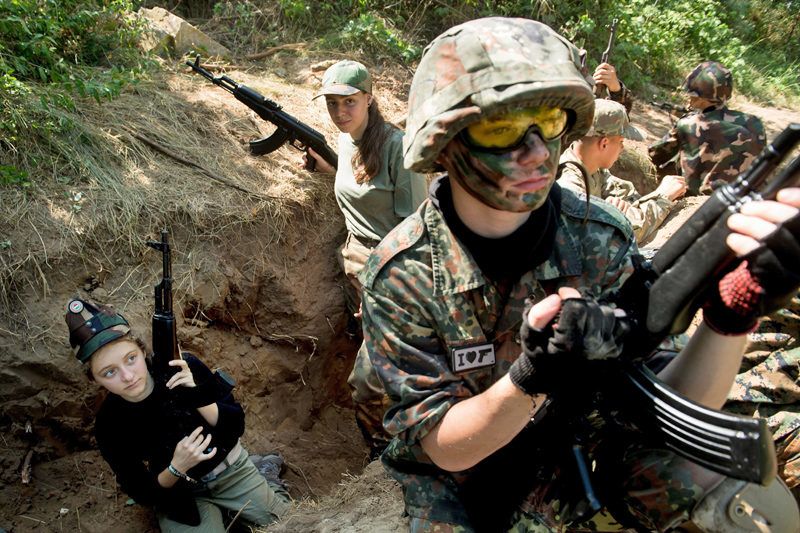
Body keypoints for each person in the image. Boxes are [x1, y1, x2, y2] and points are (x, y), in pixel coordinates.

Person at [353, 17, 800, 532]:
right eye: (501, 129)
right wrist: (532, 375)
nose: (537, 152)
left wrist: (732, 315)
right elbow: (445, 447)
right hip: (463, 471)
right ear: (443, 141)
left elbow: (676, 403)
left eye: (548, 120)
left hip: (576, 443)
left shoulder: (599, 238)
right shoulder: (403, 273)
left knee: (739, 500)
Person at [65, 298, 290, 531]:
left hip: (231, 472)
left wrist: (195, 394)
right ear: (94, 379)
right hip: (180, 498)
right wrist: (177, 467)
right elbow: (140, 490)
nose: (128, 376)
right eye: (109, 372)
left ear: (142, 350)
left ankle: (263, 476)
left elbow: (235, 425)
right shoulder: (110, 423)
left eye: (131, 359)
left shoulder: (181, 367)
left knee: (288, 524)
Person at [305, 60, 427, 458]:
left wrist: (385, 287)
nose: (340, 112)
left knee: (368, 381)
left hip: (390, 270)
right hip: (357, 267)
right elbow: (362, 190)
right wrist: (330, 172)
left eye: (349, 102)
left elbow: (416, 228)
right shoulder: (346, 141)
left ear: (369, 100)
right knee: (383, 363)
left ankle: (386, 455)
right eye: (332, 103)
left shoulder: (397, 147)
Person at [558, 99, 687, 244]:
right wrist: (664, 196)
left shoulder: (591, 168)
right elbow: (617, 235)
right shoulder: (569, 187)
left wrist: (616, 211)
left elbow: (627, 194)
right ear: (604, 143)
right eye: (621, 142)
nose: (622, 148)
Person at [649, 61, 767, 195]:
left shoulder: (688, 124)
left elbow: (656, 155)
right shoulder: (754, 123)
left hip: (698, 199)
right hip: (745, 195)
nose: (689, 98)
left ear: (700, 98)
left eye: (692, 95)